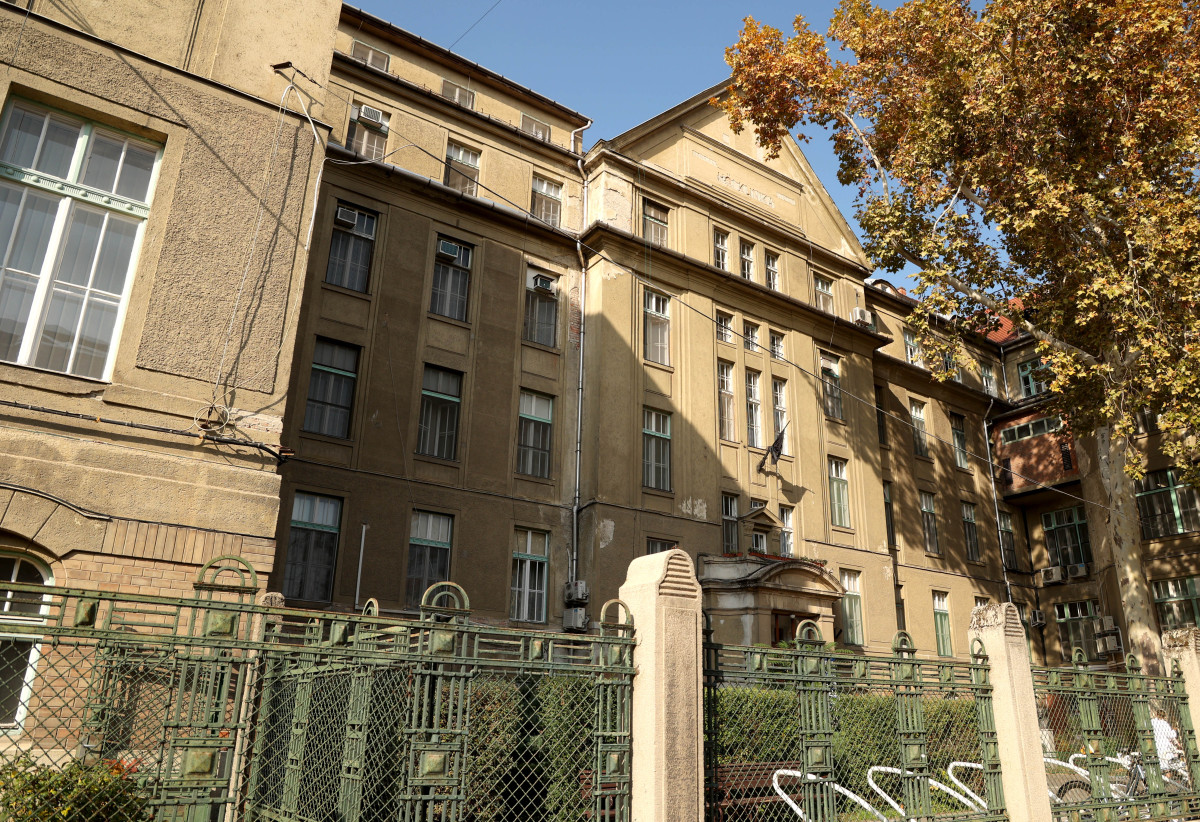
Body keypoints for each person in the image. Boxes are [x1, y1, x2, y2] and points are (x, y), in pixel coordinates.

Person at [1151, 708, 1186, 781]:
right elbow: (1171, 735)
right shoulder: (1165, 724)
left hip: (1156, 744)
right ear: (1164, 716)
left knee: (1159, 764)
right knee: (1167, 765)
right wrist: (1174, 730)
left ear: (1157, 714)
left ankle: (1160, 780)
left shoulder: (1152, 722)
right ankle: (1168, 779)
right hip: (1165, 746)